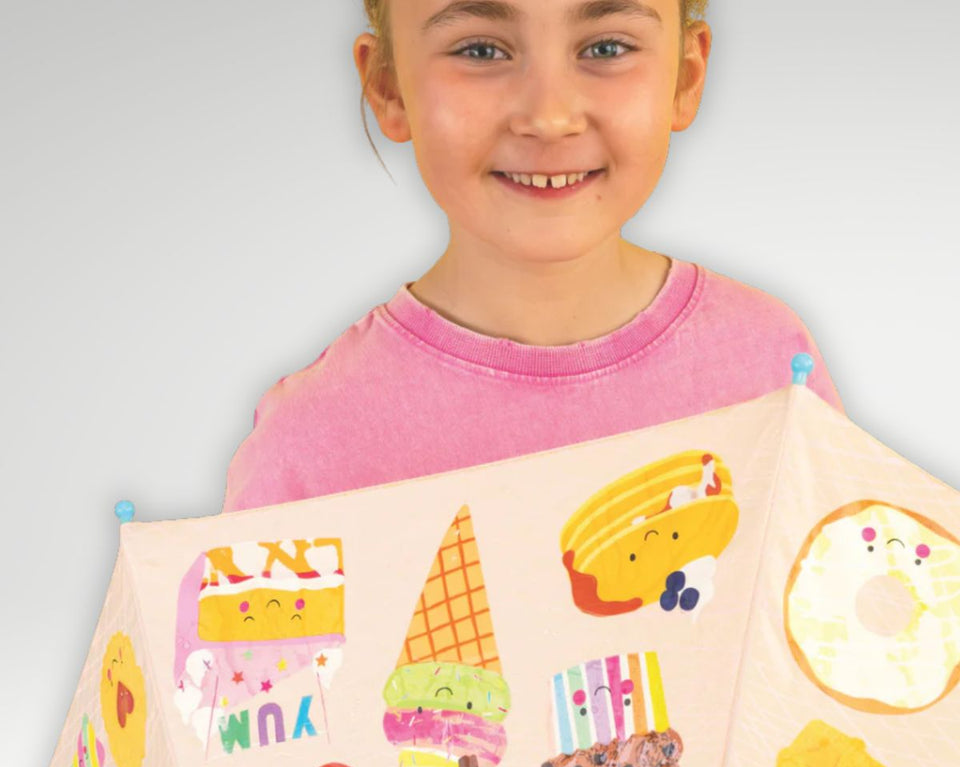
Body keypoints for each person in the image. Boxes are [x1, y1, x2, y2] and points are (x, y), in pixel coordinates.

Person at [222, 0, 842, 512]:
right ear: (388, 86)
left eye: (605, 48)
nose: (549, 117)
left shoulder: (769, 364)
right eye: (481, 50)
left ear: (685, 77)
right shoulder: (309, 443)